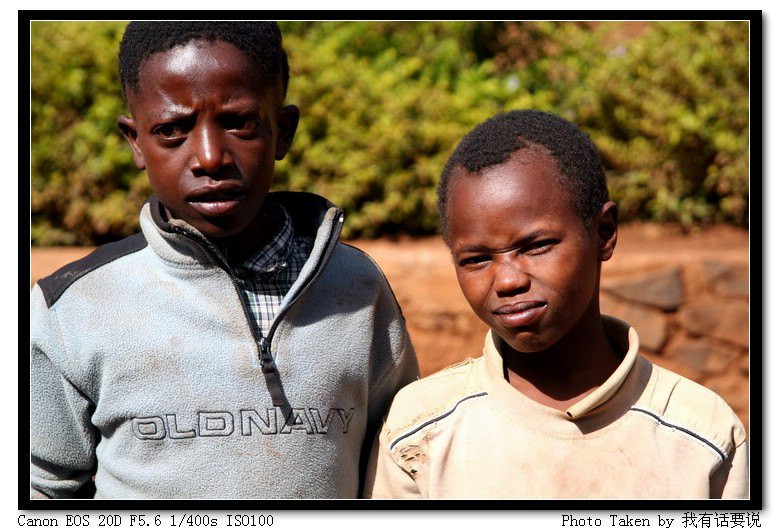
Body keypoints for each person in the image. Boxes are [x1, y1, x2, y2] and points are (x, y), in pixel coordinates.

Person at [30, 21, 418, 499]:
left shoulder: (356, 288)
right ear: (135, 142)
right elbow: (39, 493)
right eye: (172, 130)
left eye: (240, 122)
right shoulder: (71, 308)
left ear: (284, 131)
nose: (211, 157)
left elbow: (402, 465)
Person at [364, 109, 748, 499]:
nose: (509, 280)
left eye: (536, 246)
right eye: (476, 259)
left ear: (604, 233)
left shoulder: (702, 436)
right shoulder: (419, 430)